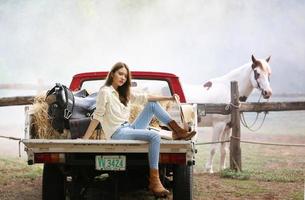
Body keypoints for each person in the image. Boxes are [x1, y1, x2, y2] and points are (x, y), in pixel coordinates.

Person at [82, 62, 196, 197]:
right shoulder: (105, 91)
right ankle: (155, 181)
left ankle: (179, 131)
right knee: (154, 136)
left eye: (125, 75)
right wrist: (85, 138)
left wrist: (169, 97)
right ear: (112, 74)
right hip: (117, 133)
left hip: (128, 127)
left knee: (152, 105)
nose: (123, 77)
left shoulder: (125, 92)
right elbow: (97, 116)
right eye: (120, 74)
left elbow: (146, 98)